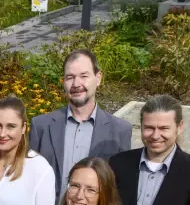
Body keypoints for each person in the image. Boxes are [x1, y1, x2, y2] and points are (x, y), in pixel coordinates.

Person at [29, 49, 132, 196]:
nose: (76, 84)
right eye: (70, 77)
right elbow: (30, 179)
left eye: (84, 76)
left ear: (98, 78)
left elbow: (121, 186)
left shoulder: (120, 131)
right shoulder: (41, 126)